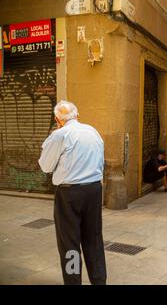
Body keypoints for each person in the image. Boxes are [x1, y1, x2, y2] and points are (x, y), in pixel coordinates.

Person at [38, 100, 106, 285]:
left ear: (57, 119)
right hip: (94, 190)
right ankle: (99, 282)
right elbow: (101, 161)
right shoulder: (93, 131)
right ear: (77, 115)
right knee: (94, 239)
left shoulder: (60, 135)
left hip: (69, 194)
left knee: (70, 242)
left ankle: (74, 282)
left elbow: (45, 166)